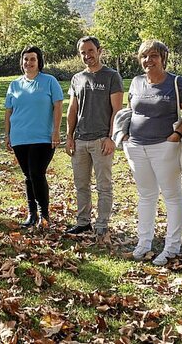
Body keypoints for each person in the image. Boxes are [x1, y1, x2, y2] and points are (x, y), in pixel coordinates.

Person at [123, 40, 182, 265]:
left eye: (153, 55)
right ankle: (143, 243)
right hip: (136, 147)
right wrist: (125, 136)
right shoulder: (136, 82)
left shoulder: (176, 82)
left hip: (165, 147)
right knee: (146, 196)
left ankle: (172, 247)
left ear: (163, 58)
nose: (148, 60)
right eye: (144, 56)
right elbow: (130, 111)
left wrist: (176, 136)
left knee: (172, 196)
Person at [64, 36, 123, 241]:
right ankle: (83, 222)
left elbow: (117, 110)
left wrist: (111, 137)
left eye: (90, 51)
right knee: (81, 185)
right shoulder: (77, 78)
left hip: (101, 140)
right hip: (80, 139)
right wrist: (69, 136)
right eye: (83, 52)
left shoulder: (112, 76)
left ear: (99, 50)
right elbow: (72, 109)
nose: (87, 55)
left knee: (103, 186)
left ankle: (102, 225)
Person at [4, 46, 63, 229]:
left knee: (37, 174)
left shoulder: (49, 81)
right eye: (26, 59)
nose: (28, 62)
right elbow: (8, 112)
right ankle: (32, 214)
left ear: (39, 62)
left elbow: (58, 106)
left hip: (43, 137)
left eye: (32, 59)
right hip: (19, 137)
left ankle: (44, 214)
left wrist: (56, 131)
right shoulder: (14, 85)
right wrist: (7, 135)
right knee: (28, 176)